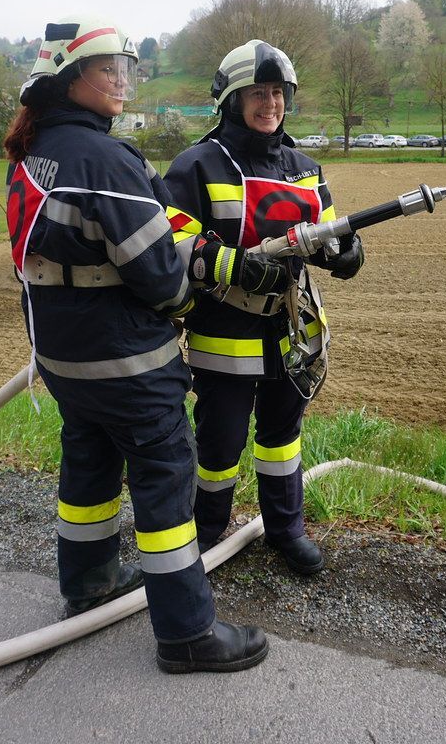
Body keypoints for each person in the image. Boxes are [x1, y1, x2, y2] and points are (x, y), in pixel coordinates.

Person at [3, 16, 268, 673]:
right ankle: (186, 635)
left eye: (126, 67)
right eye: (106, 70)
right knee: (163, 482)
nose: (122, 80)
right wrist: (184, 302)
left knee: (88, 463)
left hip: (62, 354)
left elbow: (133, 224)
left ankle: (87, 586)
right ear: (69, 81)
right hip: (125, 360)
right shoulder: (104, 157)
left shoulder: (39, 149)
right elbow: (154, 270)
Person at [163, 40, 364, 574]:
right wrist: (230, 264)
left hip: (290, 331)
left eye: (277, 93)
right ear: (231, 100)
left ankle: (285, 529)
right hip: (223, 328)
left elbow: (327, 232)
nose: (269, 103)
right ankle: (205, 533)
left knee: (281, 437)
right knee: (220, 440)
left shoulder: (305, 168)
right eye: (257, 93)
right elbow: (171, 242)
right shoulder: (196, 165)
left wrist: (346, 254)